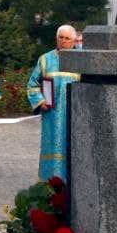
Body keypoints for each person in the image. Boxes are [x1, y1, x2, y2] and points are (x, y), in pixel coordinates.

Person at [25, 24, 80, 181]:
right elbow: (32, 84)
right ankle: (50, 183)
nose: (63, 41)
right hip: (52, 116)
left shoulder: (82, 60)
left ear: (74, 41)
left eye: (67, 38)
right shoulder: (45, 60)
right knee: (52, 148)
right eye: (60, 38)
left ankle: (74, 183)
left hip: (75, 116)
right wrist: (40, 101)